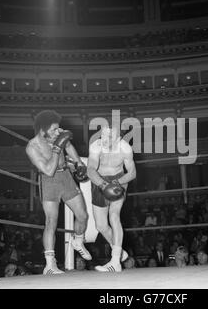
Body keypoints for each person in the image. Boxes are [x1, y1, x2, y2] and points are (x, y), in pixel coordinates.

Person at [26, 110, 91, 275]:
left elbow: (68, 145)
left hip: (66, 177)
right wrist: (56, 149)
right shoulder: (32, 147)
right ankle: (50, 264)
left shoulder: (58, 134)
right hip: (49, 181)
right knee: (51, 221)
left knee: (82, 215)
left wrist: (78, 163)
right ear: (42, 131)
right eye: (54, 129)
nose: (58, 131)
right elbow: (48, 170)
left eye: (58, 128)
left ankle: (77, 241)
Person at [87, 125, 136, 272]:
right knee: (101, 226)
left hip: (119, 180)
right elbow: (90, 169)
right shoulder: (96, 146)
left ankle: (115, 261)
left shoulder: (125, 148)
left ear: (118, 138)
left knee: (114, 216)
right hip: (99, 180)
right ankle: (120, 251)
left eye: (110, 137)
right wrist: (103, 185)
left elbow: (132, 173)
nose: (105, 140)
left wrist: (116, 183)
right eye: (103, 136)